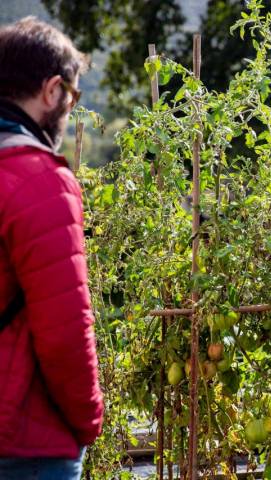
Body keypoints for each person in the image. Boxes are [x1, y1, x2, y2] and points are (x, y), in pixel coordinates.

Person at [0, 17, 104, 479]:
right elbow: (64, 330)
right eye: (72, 97)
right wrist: (88, 422)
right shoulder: (40, 179)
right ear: (52, 90)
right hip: (25, 441)